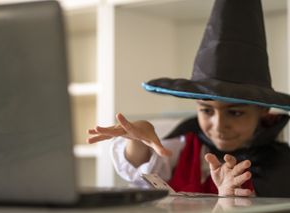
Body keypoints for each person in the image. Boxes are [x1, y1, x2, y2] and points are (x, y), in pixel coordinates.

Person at [88, 0, 290, 197]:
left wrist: (231, 201)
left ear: (263, 110)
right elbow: (144, 169)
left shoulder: (282, 165)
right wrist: (138, 141)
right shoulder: (185, 145)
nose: (218, 125)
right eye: (206, 110)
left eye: (235, 112)